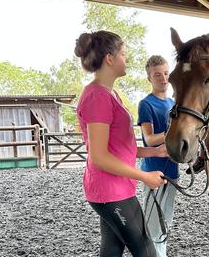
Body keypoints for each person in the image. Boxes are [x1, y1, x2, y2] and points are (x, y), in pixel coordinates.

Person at [75, 30, 167, 257]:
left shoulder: (111, 93)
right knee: (147, 252)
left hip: (113, 190)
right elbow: (100, 157)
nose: (127, 59)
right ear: (109, 58)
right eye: (123, 55)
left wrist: (155, 151)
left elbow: (118, 148)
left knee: (111, 250)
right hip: (111, 192)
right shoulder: (97, 96)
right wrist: (144, 176)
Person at [137, 55, 179, 257]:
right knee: (154, 222)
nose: (163, 78)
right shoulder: (146, 104)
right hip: (153, 170)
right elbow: (150, 138)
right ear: (149, 79)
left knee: (166, 220)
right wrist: (174, 132)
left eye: (166, 73)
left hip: (172, 170)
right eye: (157, 75)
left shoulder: (174, 103)